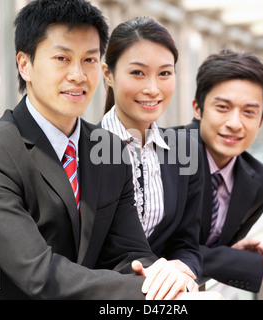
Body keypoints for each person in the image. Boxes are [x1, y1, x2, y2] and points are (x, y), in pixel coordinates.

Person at [0, 0, 191, 300]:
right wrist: (152, 292)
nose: (78, 75)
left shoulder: (108, 149)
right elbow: (40, 275)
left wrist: (165, 281)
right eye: (61, 58)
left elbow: (130, 254)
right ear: (24, 65)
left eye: (89, 60)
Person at [100, 17, 203, 291]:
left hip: (165, 292)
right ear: (108, 74)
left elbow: (186, 242)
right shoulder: (85, 149)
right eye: (138, 73)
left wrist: (183, 267)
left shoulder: (185, 149)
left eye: (165, 73)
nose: (153, 89)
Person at [179, 49, 263, 299]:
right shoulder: (168, 154)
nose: (235, 123)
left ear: (261, 121)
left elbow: (206, 249)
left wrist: (235, 251)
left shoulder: (261, 183)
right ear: (198, 108)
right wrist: (250, 268)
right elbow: (165, 249)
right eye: (222, 107)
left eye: (249, 112)